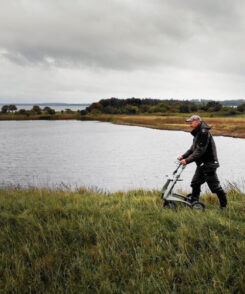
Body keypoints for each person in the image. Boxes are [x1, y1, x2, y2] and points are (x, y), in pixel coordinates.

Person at [178, 115, 227, 209]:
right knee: (195, 183)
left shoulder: (204, 133)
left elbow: (200, 151)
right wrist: (183, 156)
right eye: (189, 122)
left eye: (191, 122)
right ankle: (194, 202)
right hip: (202, 164)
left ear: (197, 122)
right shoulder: (198, 132)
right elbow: (193, 149)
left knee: (214, 187)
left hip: (209, 164)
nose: (190, 124)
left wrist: (187, 160)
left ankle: (223, 206)